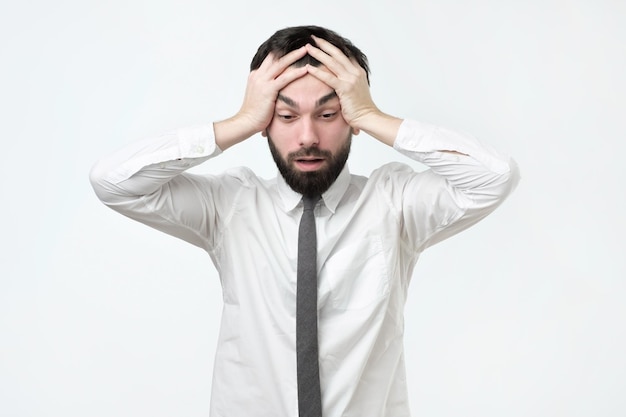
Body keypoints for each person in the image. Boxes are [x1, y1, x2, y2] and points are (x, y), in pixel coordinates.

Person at [90, 25, 519, 417]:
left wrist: (372, 116)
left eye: (329, 115)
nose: (308, 137)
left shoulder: (395, 203)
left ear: (350, 119)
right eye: (287, 116)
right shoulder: (228, 205)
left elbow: (493, 177)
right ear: (265, 121)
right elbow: (113, 182)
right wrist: (238, 122)